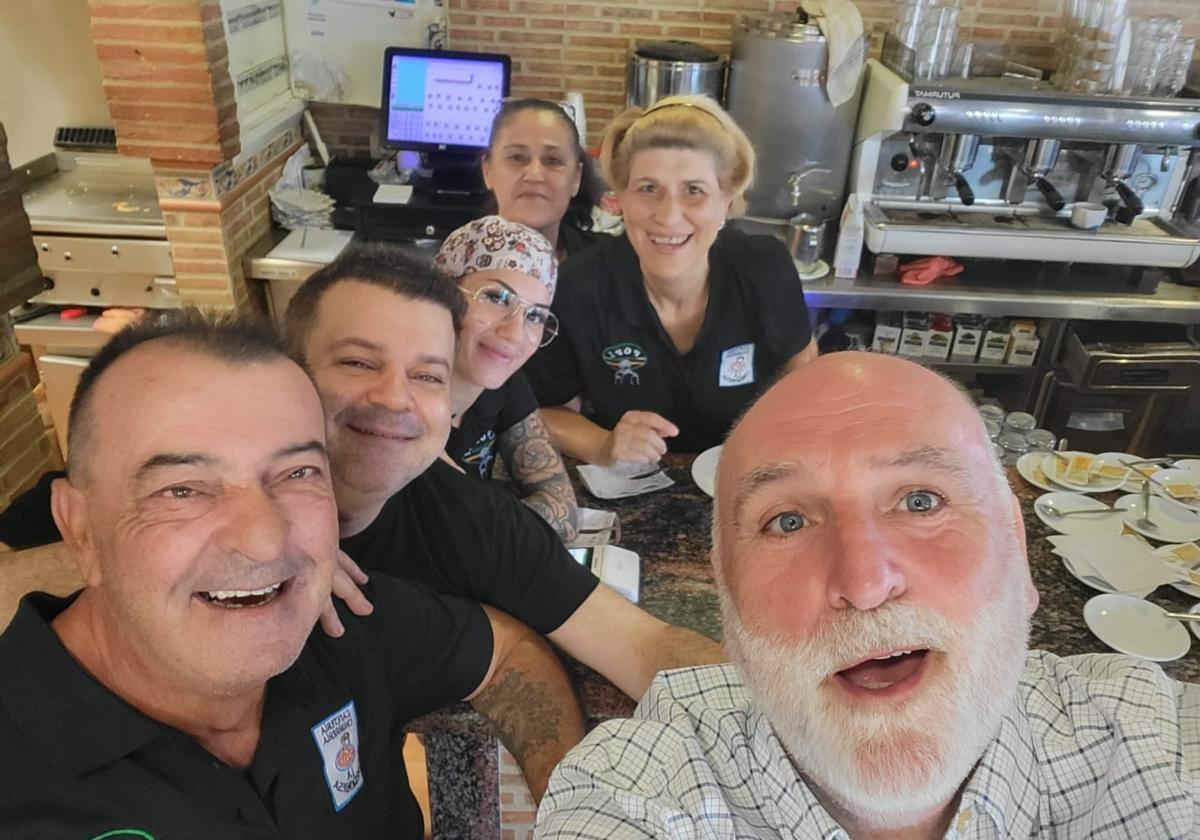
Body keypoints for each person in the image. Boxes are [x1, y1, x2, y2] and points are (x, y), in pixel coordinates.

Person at [1, 243, 723, 701]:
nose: (394, 399)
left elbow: (642, 646)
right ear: (292, 372)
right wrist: (153, 559)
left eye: (428, 376)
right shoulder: (164, 474)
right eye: (356, 362)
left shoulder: (469, 519)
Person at [536, 352, 1200, 839]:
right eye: (787, 522)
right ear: (727, 601)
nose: (863, 583)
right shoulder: (637, 790)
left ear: (1017, 552)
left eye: (921, 500)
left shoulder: (1159, 747)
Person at [0, 311, 582, 838]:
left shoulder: (341, 623)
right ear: (78, 529)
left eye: (298, 473)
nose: (263, 538)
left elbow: (504, 654)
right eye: (182, 489)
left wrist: (576, 811)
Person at [525, 95, 818, 466]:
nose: (668, 216)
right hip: (629, 486)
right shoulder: (578, 287)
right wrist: (602, 444)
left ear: (725, 205)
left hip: (748, 472)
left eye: (694, 190)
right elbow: (542, 409)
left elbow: (802, 368)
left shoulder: (764, 268)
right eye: (648, 188)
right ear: (621, 201)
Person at [433, 215, 579, 542]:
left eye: (535, 316)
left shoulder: (505, 383)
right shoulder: (391, 406)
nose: (514, 333)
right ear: (441, 294)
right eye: (496, 298)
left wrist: (477, 522)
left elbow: (564, 512)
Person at [482, 97, 604, 261]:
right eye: (517, 157)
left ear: (576, 178)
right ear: (488, 170)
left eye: (553, 160)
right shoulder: (454, 269)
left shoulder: (610, 267)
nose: (534, 175)